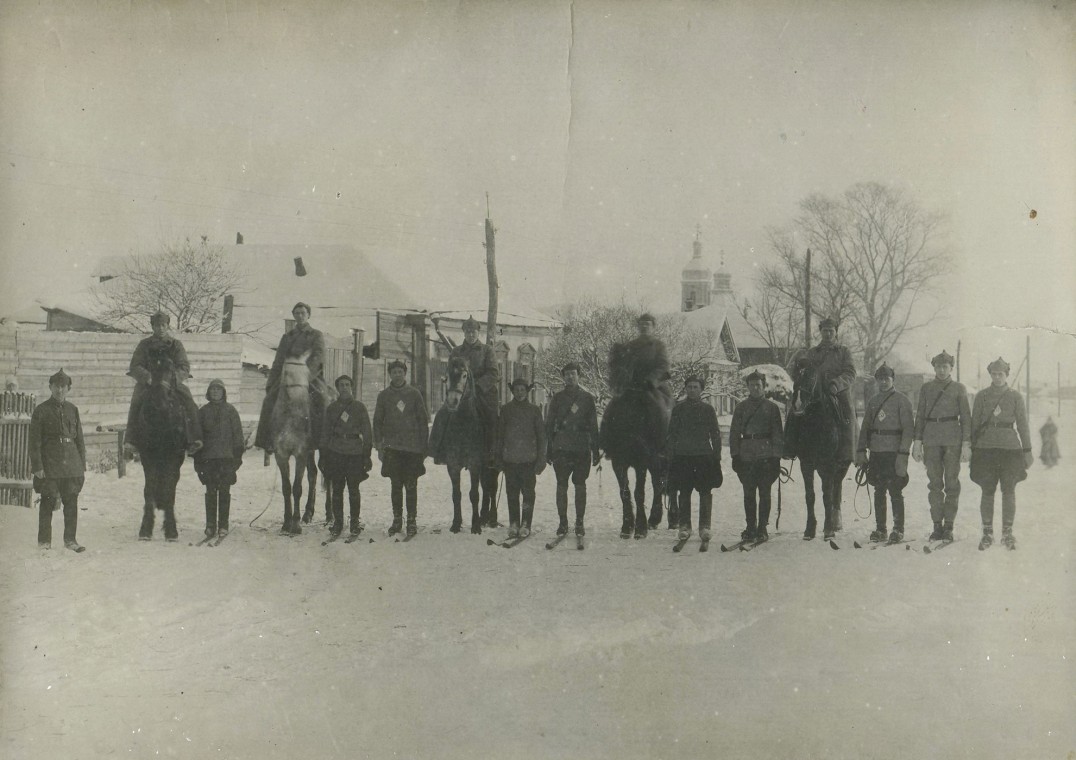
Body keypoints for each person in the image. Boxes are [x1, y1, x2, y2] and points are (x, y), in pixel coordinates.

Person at [787, 317, 857, 533]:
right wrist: (799, 369)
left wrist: (837, 384)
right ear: (820, 332)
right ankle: (789, 445)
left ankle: (848, 450)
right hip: (813, 391)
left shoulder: (843, 351)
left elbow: (851, 373)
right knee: (795, 411)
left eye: (831, 330)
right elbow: (798, 370)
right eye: (824, 330)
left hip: (836, 391)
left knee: (847, 415)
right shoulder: (812, 352)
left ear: (836, 332)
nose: (828, 334)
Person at [969, 357, 1033, 549]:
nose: (997, 377)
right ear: (990, 375)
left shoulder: (1015, 397)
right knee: (987, 490)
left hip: (1010, 450)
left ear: (1006, 375)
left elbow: (1023, 425)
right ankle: (987, 532)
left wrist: (1027, 450)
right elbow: (974, 424)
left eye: (1001, 374)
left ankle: (1007, 532)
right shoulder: (981, 396)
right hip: (986, 449)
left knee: (1009, 491)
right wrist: (972, 449)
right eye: (994, 374)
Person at [911, 350, 972, 542]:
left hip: (953, 440)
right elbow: (920, 416)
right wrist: (917, 442)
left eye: (945, 367)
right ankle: (937, 525)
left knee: (952, 484)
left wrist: (966, 444)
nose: (942, 370)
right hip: (931, 440)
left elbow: (966, 418)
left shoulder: (959, 389)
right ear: (934, 368)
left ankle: (949, 526)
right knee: (934, 484)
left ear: (951, 368)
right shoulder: (926, 389)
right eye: (938, 366)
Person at [255, 302, 329, 453]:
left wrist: (304, 376)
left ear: (308, 315)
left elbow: (318, 357)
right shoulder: (287, 337)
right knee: (269, 400)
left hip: (310, 377)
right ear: (294, 316)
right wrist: (272, 383)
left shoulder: (316, 335)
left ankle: (321, 441)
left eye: (303, 313)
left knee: (322, 400)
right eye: (297, 313)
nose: (300, 316)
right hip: (287, 377)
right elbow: (278, 360)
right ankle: (267, 441)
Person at [126, 311, 202, 452]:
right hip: (149, 383)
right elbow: (135, 365)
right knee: (136, 400)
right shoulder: (144, 345)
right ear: (152, 327)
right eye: (157, 325)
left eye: (163, 325)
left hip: (171, 383)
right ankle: (131, 440)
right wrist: (146, 377)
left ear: (167, 326)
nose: (160, 328)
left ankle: (194, 438)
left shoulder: (176, 345)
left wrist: (173, 379)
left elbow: (184, 366)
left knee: (188, 399)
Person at [450, 317, 501, 527]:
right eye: (467, 331)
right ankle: (441, 449)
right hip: (460, 392)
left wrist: (476, 385)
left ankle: (491, 453)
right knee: (445, 416)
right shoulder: (456, 352)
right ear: (463, 332)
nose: (471, 334)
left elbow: (494, 373)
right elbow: (451, 372)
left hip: (482, 393)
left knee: (490, 419)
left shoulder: (487, 350)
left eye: (474, 331)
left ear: (478, 333)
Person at [855, 363, 914, 543]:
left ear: (892, 380)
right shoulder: (873, 401)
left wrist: (903, 453)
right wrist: (861, 450)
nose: (883, 382)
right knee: (878, 490)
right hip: (877, 452)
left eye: (887, 379)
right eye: (880, 379)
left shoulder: (902, 400)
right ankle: (881, 529)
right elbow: (865, 428)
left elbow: (908, 429)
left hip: (894, 452)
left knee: (895, 490)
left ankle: (898, 529)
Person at [29, 369, 86, 552]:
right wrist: (37, 466)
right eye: (56, 386)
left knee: (71, 502)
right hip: (50, 464)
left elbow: (79, 440)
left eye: (63, 387)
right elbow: (34, 441)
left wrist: (81, 465)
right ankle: (44, 542)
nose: (59, 390)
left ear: (68, 388)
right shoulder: (41, 410)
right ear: (50, 387)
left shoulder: (73, 410)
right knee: (47, 501)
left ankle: (70, 540)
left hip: (71, 464)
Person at [372, 360, 429, 537]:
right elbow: (377, 422)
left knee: (411, 485)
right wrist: (379, 446)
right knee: (395, 485)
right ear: (390, 374)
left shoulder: (414, 394)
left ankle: (411, 520)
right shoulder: (384, 396)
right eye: (394, 372)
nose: (397, 375)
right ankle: (397, 520)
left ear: (405, 373)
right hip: (392, 448)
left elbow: (422, 421)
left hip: (412, 449)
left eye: (400, 372)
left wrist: (423, 447)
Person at [545, 362, 600, 537]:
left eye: (574, 374)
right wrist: (548, 448)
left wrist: (596, 450)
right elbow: (549, 424)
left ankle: (579, 522)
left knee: (580, 485)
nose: (570, 377)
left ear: (579, 376)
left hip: (581, 448)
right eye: (567, 374)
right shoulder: (557, 398)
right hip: (561, 448)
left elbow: (593, 426)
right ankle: (562, 523)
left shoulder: (587, 398)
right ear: (563, 377)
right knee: (561, 485)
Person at [666, 376, 722, 543]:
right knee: (684, 492)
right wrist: (670, 454)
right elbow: (672, 434)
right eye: (689, 387)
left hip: (704, 456)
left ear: (701, 389)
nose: (692, 390)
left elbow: (715, 434)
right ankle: (684, 526)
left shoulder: (708, 410)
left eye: (695, 387)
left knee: (705, 492)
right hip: (683, 457)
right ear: (686, 389)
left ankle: (705, 527)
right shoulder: (678, 409)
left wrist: (716, 455)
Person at [729, 370, 784, 543]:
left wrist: (776, 457)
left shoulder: (772, 408)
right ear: (747, 387)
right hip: (746, 456)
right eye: (752, 385)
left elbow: (777, 434)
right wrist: (735, 455)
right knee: (749, 493)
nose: (755, 388)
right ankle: (750, 527)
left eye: (758, 385)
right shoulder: (741, 408)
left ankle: (762, 528)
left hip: (766, 456)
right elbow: (734, 433)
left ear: (764, 387)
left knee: (765, 493)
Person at [320, 375, 373, 539]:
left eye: (347, 385)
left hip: (354, 453)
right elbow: (325, 433)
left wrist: (367, 455)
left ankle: (355, 522)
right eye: (341, 385)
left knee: (354, 490)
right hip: (336, 452)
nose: (344, 388)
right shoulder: (332, 408)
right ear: (337, 388)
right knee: (337, 489)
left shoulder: (359, 407)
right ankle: (338, 523)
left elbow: (367, 433)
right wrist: (323, 455)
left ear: (352, 387)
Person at [193, 379, 245, 541]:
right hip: (208, 459)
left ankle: (223, 525)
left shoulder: (231, 411)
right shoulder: (202, 412)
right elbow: (197, 437)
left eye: (218, 389)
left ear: (224, 393)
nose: (215, 392)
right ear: (209, 393)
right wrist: (198, 461)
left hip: (226, 459)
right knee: (210, 492)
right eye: (213, 390)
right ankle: (210, 526)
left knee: (224, 491)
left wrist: (236, 460)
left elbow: (238, 438)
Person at [494, 377, 546, 538]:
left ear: (527, 391)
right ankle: (514, 523)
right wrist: (498, 457)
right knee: (512, 494)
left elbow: (541, 437)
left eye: (522, 390)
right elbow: (499, 436)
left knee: (528, 494)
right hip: (510, 460)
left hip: (529, 460)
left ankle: (526, 524)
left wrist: (541, 459)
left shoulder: (534, 410)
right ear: (512, 392)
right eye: (516, 390)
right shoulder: (506, 410)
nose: (519, 393)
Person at [474, 366, 502, 528]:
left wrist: (480, 385)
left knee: (491, 420)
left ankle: (490, 508)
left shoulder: (491, 388)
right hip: (465, 392)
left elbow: (493, 373)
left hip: (486, 399)